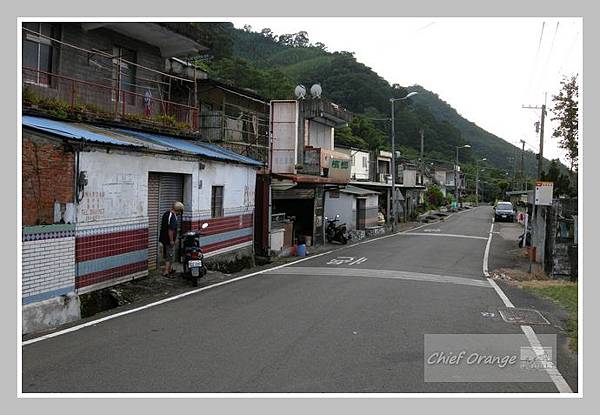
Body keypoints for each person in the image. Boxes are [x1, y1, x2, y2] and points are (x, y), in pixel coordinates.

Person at [159, 201, 184, 277]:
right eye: (181, 211)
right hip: (168, 239)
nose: (181, 213)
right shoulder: (172, 217)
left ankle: (169, 270)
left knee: (168, 254)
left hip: (163, 238)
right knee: (169, 255)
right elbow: (170, 230)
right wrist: (171, 240)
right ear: (178, 210)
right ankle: (166, 272)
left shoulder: (166, 213)